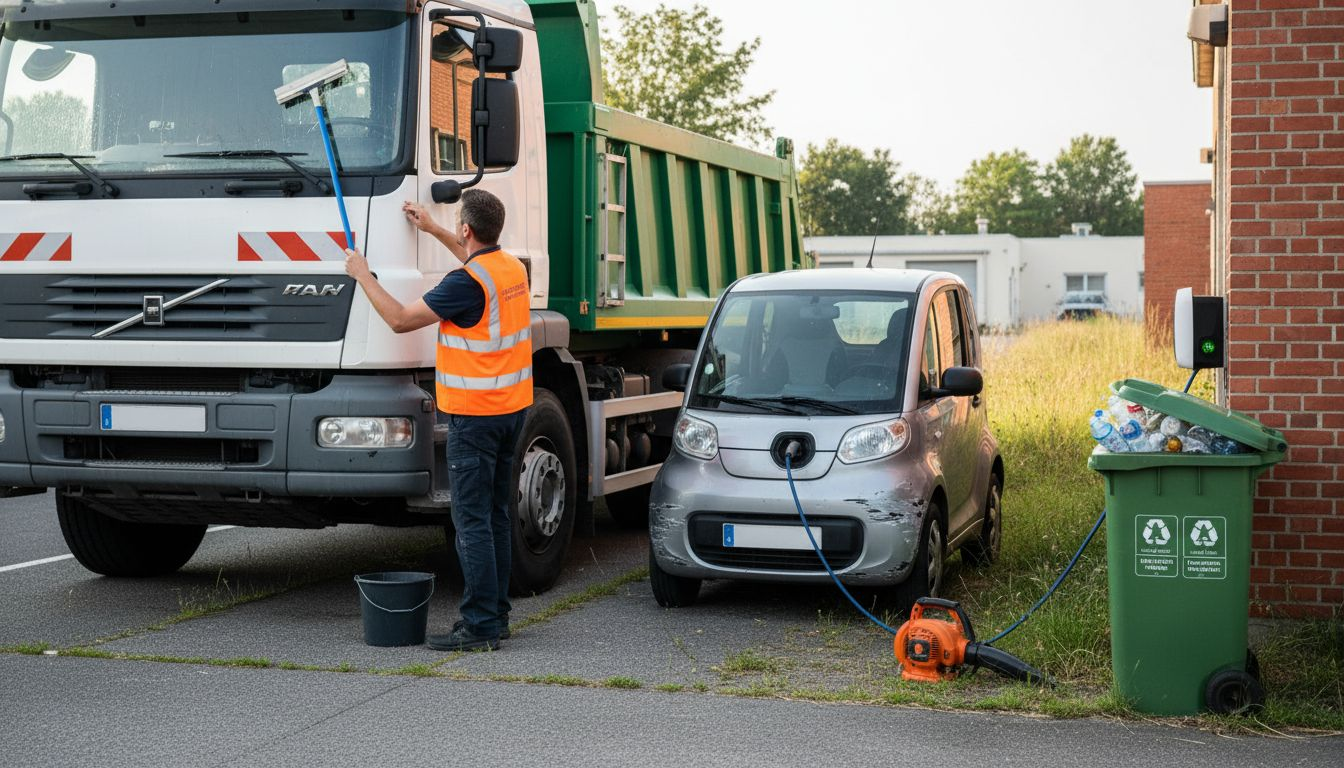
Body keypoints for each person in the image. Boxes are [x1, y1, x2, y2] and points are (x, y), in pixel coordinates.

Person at [345, 189, 531, 652]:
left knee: (471, 523)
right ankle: (497, 616)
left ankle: (481, 625)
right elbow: (475, 261)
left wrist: (363, 275)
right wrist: (433, 229)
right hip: (511, 411)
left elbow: (402, 320)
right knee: (495, 516)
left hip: (475, 417)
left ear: (468, 229)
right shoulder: (511, 269)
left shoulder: (465, 283)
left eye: (457, 227)